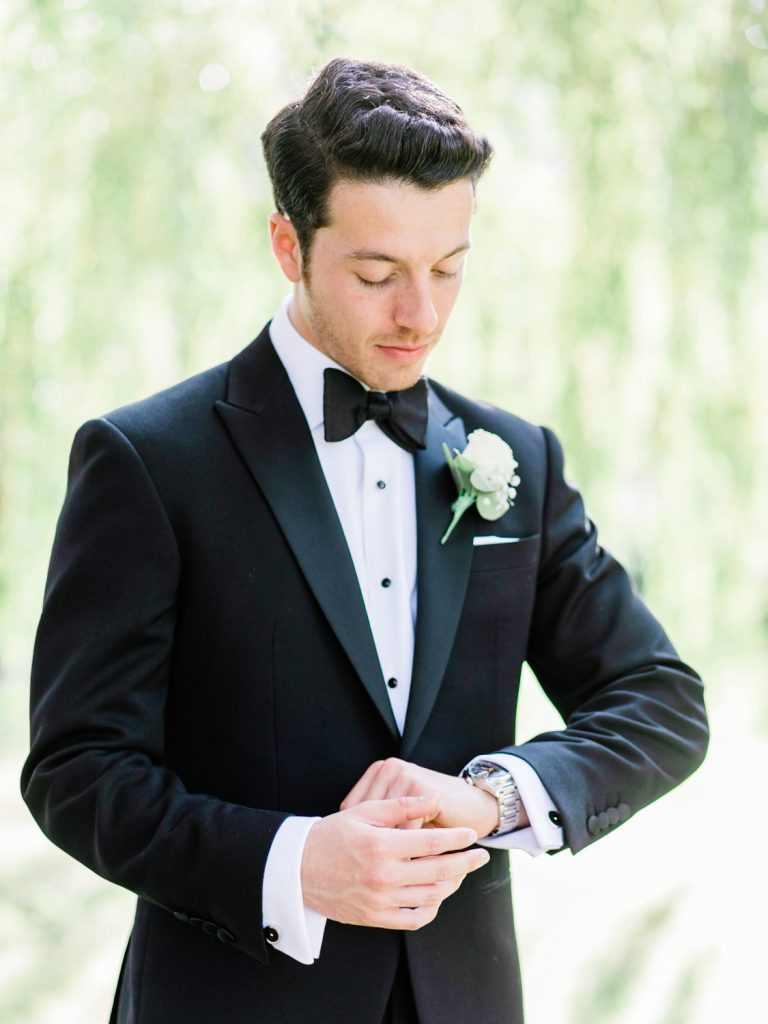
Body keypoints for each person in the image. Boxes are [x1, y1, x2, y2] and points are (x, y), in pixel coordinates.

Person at [21, 57, 708, 1024]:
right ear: (287, 244)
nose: (420, 313)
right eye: (378, 273)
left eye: (448, 269)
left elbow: (661, 702)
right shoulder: (147, 461)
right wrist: (295, 864)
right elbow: (78, 771)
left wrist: (493, 798)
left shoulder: (516, 458)